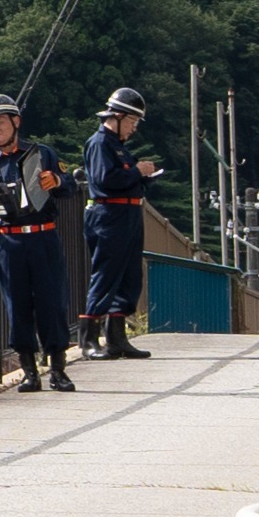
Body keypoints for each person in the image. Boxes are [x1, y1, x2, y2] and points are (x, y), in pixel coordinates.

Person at [0, 92, 74, 392]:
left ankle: (58, 371)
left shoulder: (43, 154)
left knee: (52, 303)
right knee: (18, 308)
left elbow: (70, 188)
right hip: (8, 245)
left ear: (16, 121)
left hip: (44, 238)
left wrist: (58, 182)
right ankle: (29, 373)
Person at [80, 86, 158, 360]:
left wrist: (143, 177)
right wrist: (137, 171)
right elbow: (104, 181)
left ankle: (117, 337)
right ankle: (89, 338)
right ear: (119, 116)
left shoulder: (118, 147)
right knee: (106, 274)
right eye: (133, 122)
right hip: (108, 216)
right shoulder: (100, 143)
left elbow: (122, 179)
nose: (134, 128)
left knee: (129, 275)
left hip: (128, 215)